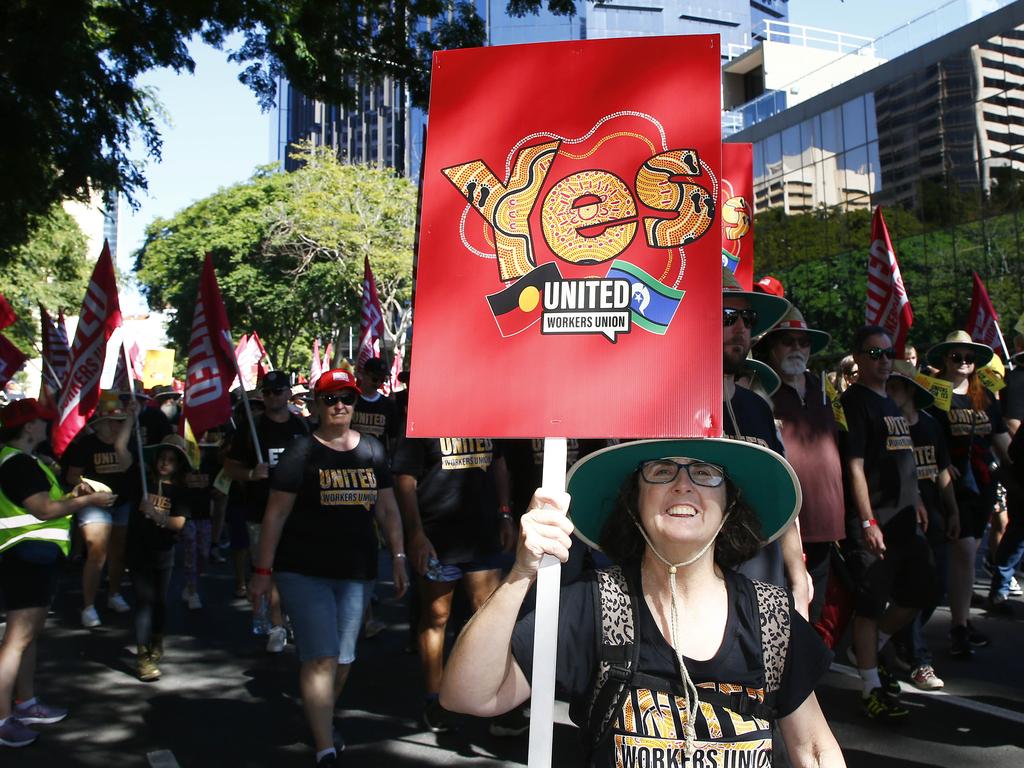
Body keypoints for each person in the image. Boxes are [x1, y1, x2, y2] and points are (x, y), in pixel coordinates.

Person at [439, 437, 844, 768]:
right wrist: (520, 575)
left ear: (729, 505)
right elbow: (469, 696)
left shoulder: (772, 619)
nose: (683, 485)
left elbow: (815, 750)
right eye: (662, 470)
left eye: (705, 472)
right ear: (635, 500)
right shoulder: (593, 605)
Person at [249, 368, 408, 767]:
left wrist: (400, 557)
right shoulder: (300, 452)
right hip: (303, 570)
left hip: (357, 571)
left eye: (347, 398)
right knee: (320, 656)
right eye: (331, 398)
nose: (340, 405)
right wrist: (262, 572)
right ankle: (323, 746)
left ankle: (319, 714)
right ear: (317, 404)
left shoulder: (372, 450)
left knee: (344, 657)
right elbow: (275, 515)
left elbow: (388, 508)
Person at [0, 399, 117, 748]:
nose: (49, 426)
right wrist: (87, 502)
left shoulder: (22, 460)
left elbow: (46, 503)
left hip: (32, 557)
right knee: (16, 642)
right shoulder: (17, 462)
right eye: (42, 421)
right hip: (25, 559)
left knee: (26, 638)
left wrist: (73, 494)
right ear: (28, 427)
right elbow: (44, 509)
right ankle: (4, 718)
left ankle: (25, 703)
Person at [840, 326, 938, 720]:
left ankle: (873, 645)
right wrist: (867, 521)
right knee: (868, 604)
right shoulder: (855, 402)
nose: (883, 360)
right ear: (859, 359)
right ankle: (871, 689)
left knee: (923, 591)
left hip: (904, 520)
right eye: (874, 353)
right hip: (874, 522)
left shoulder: (892, 403)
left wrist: (914, 501)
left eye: (887, 353)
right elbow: (856, 465)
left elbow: (903, 457)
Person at [393, 432, 515, 734]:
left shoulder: (485, 416)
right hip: (438, 538)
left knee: (489, 617)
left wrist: (504, 512)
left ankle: (493, 700)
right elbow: (404, 481)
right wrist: (415, 534)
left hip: (483, 534)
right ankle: (436, 700)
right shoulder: (423, 420)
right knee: (437, 616)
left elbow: (498, 463)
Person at [721, 269, 810, 618]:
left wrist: (798, 576)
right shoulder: (675, 406)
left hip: (767, 584)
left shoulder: (757, 406)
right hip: (704, 590)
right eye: (729, 316)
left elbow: (779, 495)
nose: (742, 328)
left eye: (748, 317)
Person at [757, 306, 845, 624]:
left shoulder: (826, 389)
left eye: (803, 342)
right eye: (788, 342)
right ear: (771, 348)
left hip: (825, 524)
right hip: (781, 523)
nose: (797, 348)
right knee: (780, 614)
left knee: (815, 608)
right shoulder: (759, 389)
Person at [925, 331, 1010, 656]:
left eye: (968, 358)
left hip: (983, 485)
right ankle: (952, 625)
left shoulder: (985, 396)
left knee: (968, 553)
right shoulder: (934, 395)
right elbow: (923, 434)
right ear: (945, 359)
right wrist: (941, 463)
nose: (963, 363)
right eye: (956, 357)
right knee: (962, 551)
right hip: (948, 486)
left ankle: (961, 622)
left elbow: (1002, 442)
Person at [224, 370, 309, 652]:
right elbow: (230, 467)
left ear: (288, 393)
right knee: (267, 568)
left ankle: (292, 619)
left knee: (296, 569)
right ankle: (275, 624)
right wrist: (250, 473)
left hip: (297, 513)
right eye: (268, 392)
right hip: (260, 511)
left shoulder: (302, 427)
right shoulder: (252, 428)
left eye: (278, 391)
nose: (273, 397)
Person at [885, 360, 957, 690]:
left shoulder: (929, 425)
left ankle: (891, 639)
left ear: (910, 390)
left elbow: (942, 471)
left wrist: (953, 509)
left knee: (936, 589)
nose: (890, 392)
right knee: (914, 589)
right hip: (904, 521)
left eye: (896, 386)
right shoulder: (887, 427)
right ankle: (919, 660)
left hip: (937, 519)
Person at [64, 392, 139, 627]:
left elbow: (127, 465)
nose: (119, 425)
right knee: (97, 552)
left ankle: (114, 594)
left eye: (121, 421)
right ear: (103, 423)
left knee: (118, 553)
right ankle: (88, 606)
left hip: (122, 503)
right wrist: (86, 489)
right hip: (94, 504)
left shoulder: (127, 442)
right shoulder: (86, 445)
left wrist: (128, 425)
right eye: (116, 421)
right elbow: (72, 475)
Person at [131, 434, 192, 681]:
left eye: (171, 460)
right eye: (162, 459)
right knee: (143, 600)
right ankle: (142, 655)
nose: (164, 464)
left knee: (160, 601)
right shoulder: (141, 481)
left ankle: (157, 638)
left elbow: (178, 523)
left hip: (164, 552)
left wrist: (156, 515)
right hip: (138, 550)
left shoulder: (180, 491)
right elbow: (123, 456)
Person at [351, 358, 399, 454]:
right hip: (353, 458)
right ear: (363, 375)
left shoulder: (389, 405)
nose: (378, 383)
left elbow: (393, 437)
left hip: (378, 461)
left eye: (382, 380)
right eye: (375, 379)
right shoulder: (350, 400)